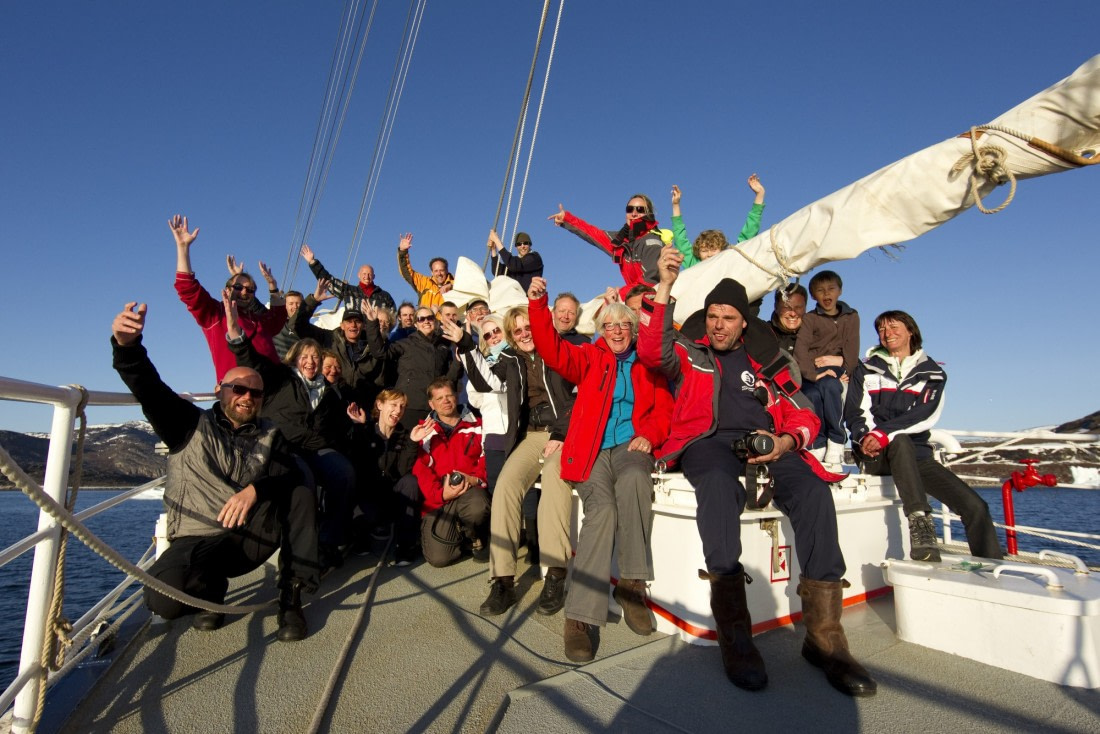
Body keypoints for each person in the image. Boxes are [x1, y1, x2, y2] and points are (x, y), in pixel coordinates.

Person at [637, 245, 876, 697]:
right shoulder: (687, 354)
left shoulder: (766, 365)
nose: (719, 325)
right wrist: (665, 288)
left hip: (767, 447)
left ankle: (825, 638)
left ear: (743, 322)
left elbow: (803, 413)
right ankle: (736, 635)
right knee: (717, 487)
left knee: (812, 493)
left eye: (728, 317)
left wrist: (787, 440)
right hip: (706, 444)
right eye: (713, 317)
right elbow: (651, 351)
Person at [110, 302, 317, 640]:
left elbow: (287, 473)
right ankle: (210, 592)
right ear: (221, 390)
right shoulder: (187, 424)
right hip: (198, 536)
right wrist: (127, 346)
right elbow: (148, 387)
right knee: (164, 600)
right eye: (239, 389)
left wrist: (256, 491)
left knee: (300, 491)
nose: (247, 397)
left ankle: (291, 598)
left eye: (255, 392)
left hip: (250, 538)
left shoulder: (270, 433)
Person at [528, 276, 673, 663]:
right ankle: (579, 617)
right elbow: (551, 350)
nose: (617, 331)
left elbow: (663, 410)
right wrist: (539, 306)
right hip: (590, 452)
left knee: (636, 479)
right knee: (602, 511)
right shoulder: (590, 358)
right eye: (609, 326)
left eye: (624, 324)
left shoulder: (649, 363)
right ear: (600, 330)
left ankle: (631, 586)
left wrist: (651, 435)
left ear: (633, 328)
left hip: (630, 445)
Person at [444, 307, 577, 619]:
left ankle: (556, 574)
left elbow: (577, 397)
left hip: (565, 433)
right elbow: (484, 382)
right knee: (504, 487)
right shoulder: (512, 361)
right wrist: (466, 344)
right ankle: (503, 580)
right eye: (517, 330)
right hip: (531, 435)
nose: (524, 334)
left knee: (555, 485)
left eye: (528, 327)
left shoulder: (559, 350)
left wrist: (561, 432)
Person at [845, 310, 1003, 562]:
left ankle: (992, 567)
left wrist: (885, 432)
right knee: (899, 440)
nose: (887, 334)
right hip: (876, 455)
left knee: (976, 507)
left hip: (917, 458)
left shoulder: (932, 374)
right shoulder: (865, 370)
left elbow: (924, 414)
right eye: (882, 330)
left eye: (894, 327)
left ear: (911, 331)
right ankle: (921, 524)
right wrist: (865, 437)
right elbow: (854, 412)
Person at [225, 297, 357, 572]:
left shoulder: (329, 393)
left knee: (344, 473)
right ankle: (300, 555)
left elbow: (337, 429)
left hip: (318, 448)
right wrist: (235, 333)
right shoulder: (280, 378)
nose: (311, 361)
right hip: (287, 449)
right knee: (304, 484)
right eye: (305, 357)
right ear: (295, 359)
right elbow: (250, 360)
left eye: (316, 358)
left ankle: (329, 541)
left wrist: (359, 425)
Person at [169, 214, 287, 381]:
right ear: (227, 289)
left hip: (273, 387)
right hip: (239, 391)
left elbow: (277, 319)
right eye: (238, 287)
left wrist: (272, 286)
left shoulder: (257, 320)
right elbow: (187, 288)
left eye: (250, 290)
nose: (244, 292)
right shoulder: (216, 314)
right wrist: (182, 248)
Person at [393, 379, 490, 567]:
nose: (445, 401)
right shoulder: (423, 431)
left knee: (478, 505)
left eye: (449, 396)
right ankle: (456, 534)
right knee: (439, 559)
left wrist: (475, 479)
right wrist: (441, 494)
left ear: (457, 396)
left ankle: (474, 536)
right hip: (439, 500)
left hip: (470, 491)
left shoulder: (478, 425)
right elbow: (421, 470)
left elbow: (486, 459)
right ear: (431, 404)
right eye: (439, 398)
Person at [795, 270, 860, 466]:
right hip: (813, 369)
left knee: (830, 386)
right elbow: (801, 349)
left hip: (837, 368)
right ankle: (818, 441)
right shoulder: (810, 318)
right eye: (820, 291)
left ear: (839, 291)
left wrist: (845, 367)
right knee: (813, 395)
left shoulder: (851, 316)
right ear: (813, 295)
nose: (826, 294)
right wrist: (812, 375)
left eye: (831, 289)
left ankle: (837, 438)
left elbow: (852, 347)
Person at [363, 303, 461, 429]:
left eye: (430, 318)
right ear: (416, 324)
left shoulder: (443, 347)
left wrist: (458, 362)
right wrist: (372, 323)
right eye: (421, 319)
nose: (426, 321)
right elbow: (380, 352)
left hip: (435, 407)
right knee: (408, 445)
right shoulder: (405, 344)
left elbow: (448, 380)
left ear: (435, 321)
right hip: (410, 406)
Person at [346, 389, 419, 553]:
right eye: (393, 405)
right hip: (370, 494)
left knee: (410, 481)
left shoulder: (405, 435)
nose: (398, 411)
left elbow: (403, 471)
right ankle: (363, 536)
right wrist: (359, 429)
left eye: (402, 406)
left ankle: (406, 545)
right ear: (380, 405)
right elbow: (358, 463)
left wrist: (413, 443)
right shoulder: (367, 430)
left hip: (393, 495)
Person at [290, 279, 384, 405]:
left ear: (363, 326)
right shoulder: (328, 338)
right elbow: (296, 326)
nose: (353, 325)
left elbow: (380, 379)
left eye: (357, 321)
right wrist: (314, 300)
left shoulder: (373, 347)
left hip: (363, 407)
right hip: (331, 401)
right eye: (349, 321)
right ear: (342, 325)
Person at [549, 194, 665, 291]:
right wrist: (567, 218)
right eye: (630, 209)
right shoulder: (620, 241)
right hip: (634, 298)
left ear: (649, 214)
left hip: (653, 300)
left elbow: (651, 280)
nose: (634, 213)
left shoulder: (652, 242)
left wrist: (620, 294)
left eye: (640, 209)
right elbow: (593, 233)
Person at [669, 175, 766, 267]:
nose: (709, 254)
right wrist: (676, 205)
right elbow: (680, 239)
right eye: (704, 251)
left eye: (713, 249)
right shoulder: (694, 264)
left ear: (722, 249)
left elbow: (749, 232)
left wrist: (760, 194)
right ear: (698, 253)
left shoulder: (729, 260)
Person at [299, 243, 396, 312]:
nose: (367, 276)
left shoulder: (385, 296)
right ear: (358, 275)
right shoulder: (348, 291)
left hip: (376, 337)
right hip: (354, 335)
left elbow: (393, 316)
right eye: (364, 273)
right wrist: (312, 262)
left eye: (369, 274)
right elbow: (328, 280)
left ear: (374, 276)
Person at [396, 232, 453, 309]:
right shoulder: (423, 283)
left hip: (448, 321)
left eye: (441, 270)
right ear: (431, 272)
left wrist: (451, 285)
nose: (439, 273)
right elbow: (406, 271)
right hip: (426, 320)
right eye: (436, 271)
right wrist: (403, 251)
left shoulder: (458, 283)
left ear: (447, 270)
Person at [768, 283, 808, 385]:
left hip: (808, 394)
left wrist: (839, 360)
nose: (793, 313)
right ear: (776, 307)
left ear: (805, 308)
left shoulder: (815, 334)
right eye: (786, 307)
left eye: (798, 307)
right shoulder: (764, 333)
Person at [273, 290, 304, 360]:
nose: (295, 306)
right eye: (291, 303)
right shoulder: (276, 324)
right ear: (285, 306)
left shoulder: (310, 328)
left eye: (298, 303)